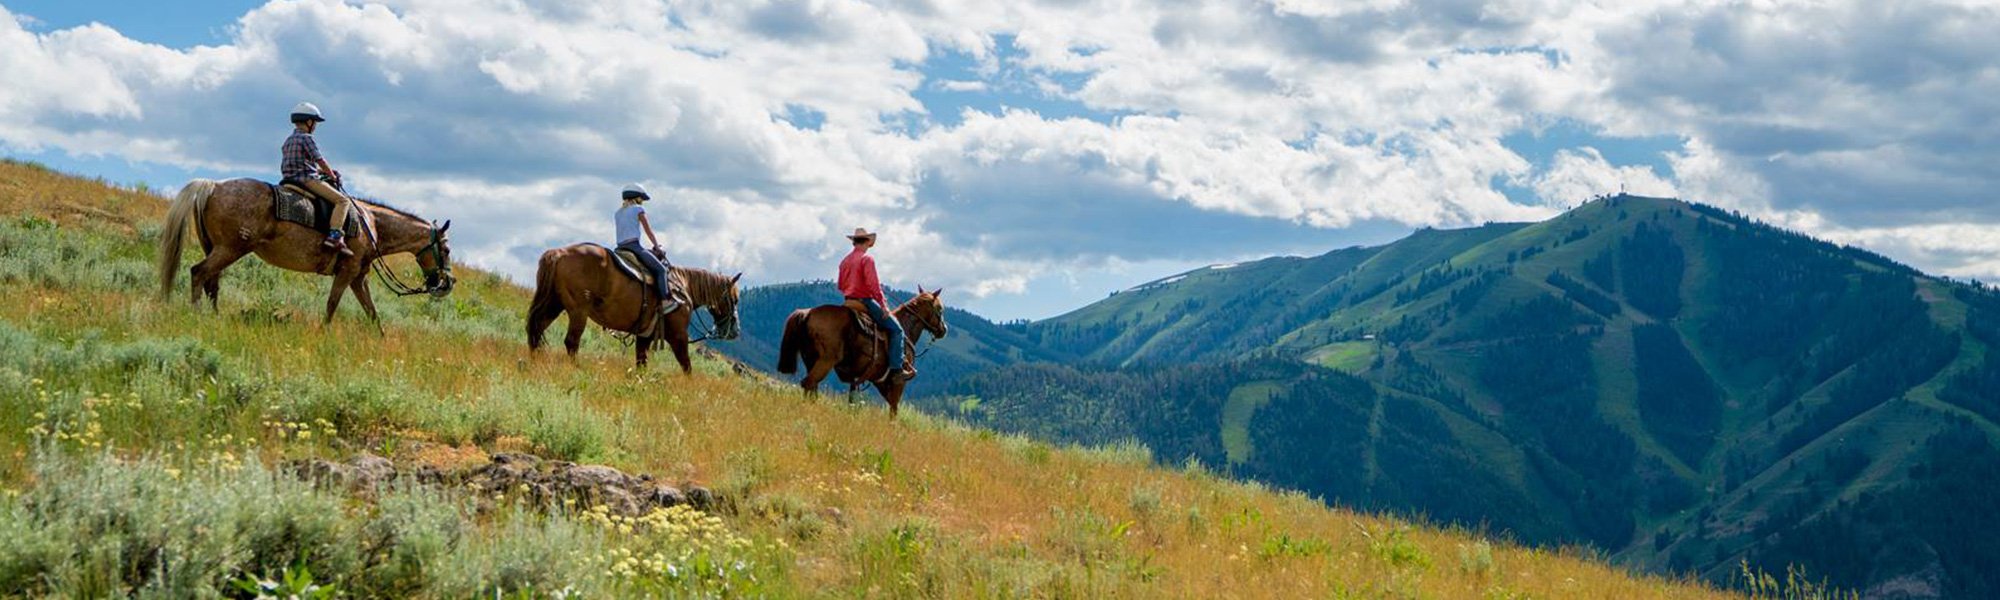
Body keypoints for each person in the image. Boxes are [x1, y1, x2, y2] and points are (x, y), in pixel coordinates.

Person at [838, 228, 914, 383]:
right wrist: (884, 306)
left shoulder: (845, 261)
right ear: (867, 241)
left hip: (848, 301)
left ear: (854, 241)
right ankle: (896, 369)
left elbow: (840, 285)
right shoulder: (867, 259)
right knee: (897, 330)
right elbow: (873, 286)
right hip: (864, 301)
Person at [281, 101, 354, 258]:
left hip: (288, 179)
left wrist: (322, 171)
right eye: (315, 123)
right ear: (309, 122)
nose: (315, 126)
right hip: (306, 180)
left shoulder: (288, 140)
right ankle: (334, 235)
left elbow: (302, 163)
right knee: (343, 201)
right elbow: (319, 159)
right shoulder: (307, 138)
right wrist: (332, 175)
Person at [615, 183, 679, 315]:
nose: (642, 202)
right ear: (636, 197)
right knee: (661, 270)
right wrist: (657, 247)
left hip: (620, 248)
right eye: (641, 199)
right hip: (634, 247)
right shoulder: (638, 209)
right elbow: (648, 230)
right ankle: (665, 301)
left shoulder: (618, 213)